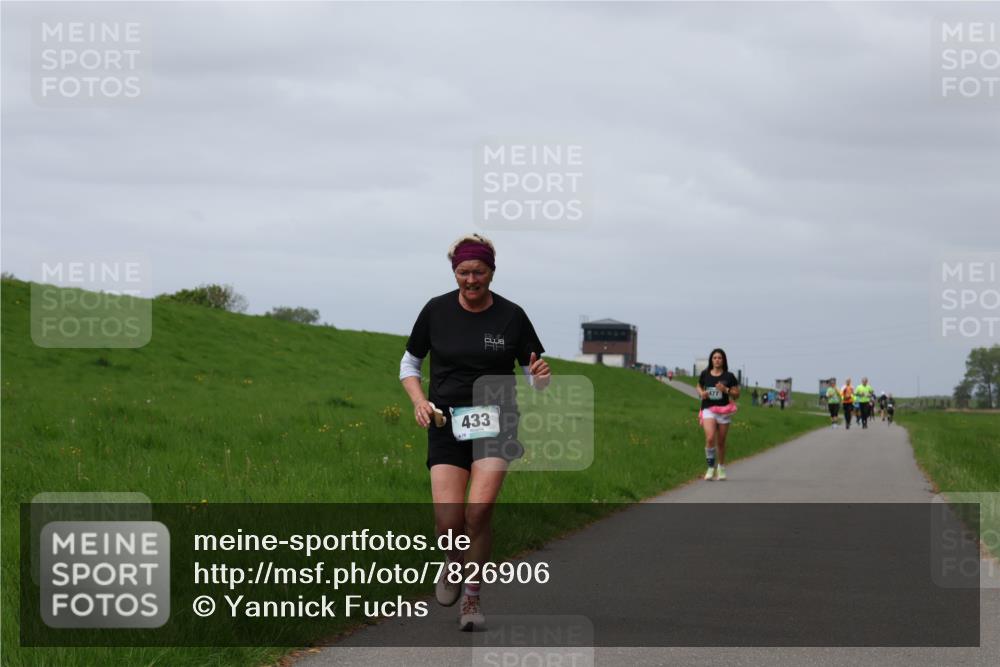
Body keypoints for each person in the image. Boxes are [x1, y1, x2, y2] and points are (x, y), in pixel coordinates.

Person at [399, 233, 550, 631]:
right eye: (463, 272)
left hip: (496, 422)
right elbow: (409, 364)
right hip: (446, 423)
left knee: (479, 512)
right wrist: (419, 401)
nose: (471, 280)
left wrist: (539, 378)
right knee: (449, 523)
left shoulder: (512, 316)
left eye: (478, 272)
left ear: (492, 272)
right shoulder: (435, 311)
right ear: (454, 272)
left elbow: (534, 376)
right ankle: (452, 563)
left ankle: (472, 598)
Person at [697, 348, 740, 481]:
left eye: (719, 358)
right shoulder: (705, 374)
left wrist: (725, 389)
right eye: (714, 357)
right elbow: (698, 385)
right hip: (708, 409)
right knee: (710, 438)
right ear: (711, 360)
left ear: (723, 360)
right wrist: (701, 393)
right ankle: (710, 468)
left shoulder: (729, 376)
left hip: (723, 411)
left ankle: (721, 467)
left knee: (721, 442)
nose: (717, 360)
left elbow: (737, 394)